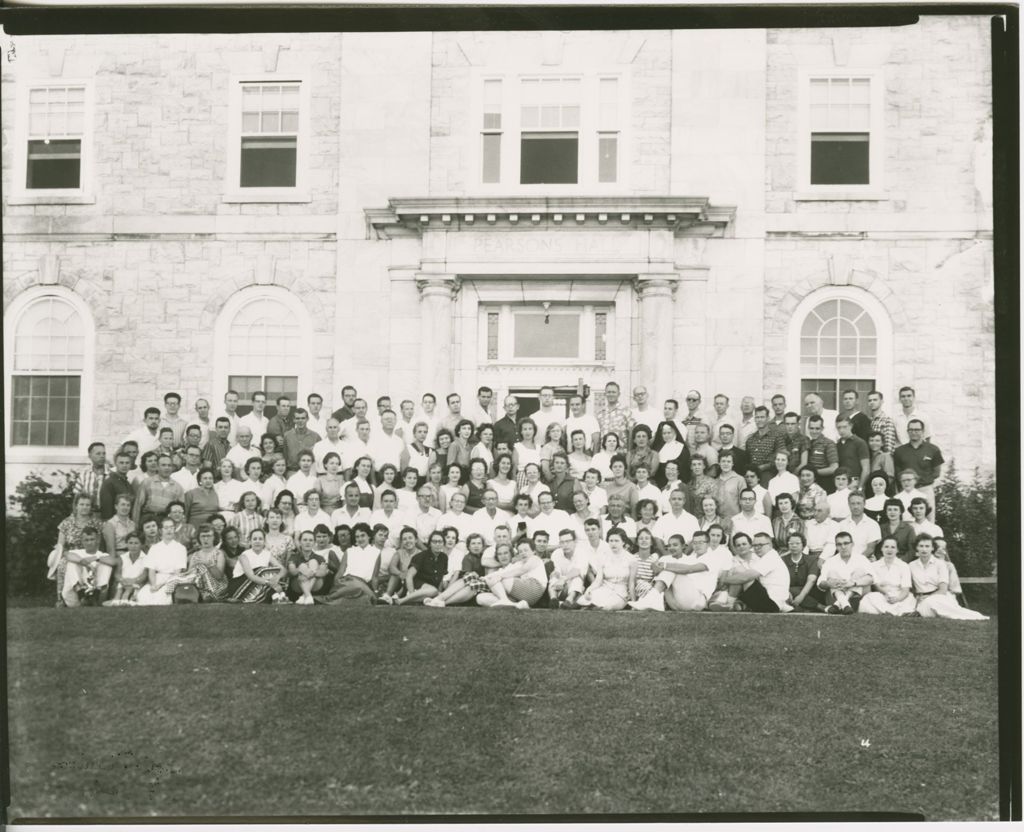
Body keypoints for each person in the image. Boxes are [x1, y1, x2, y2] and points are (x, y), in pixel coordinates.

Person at [910, 535, 988, 619]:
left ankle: (971, 616)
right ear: (916, 548)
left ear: (932, 548)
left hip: (940, 596)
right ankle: (967, 615)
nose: (924, 549)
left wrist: (928, 597)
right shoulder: (911, 566)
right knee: (928, 605)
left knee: (932, 602)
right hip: (922, 600)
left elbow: (943, 590)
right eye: (921, 546)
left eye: (927, 546)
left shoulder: (940, 564)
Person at [710, 532, 792, 613]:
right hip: (771, 600)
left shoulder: (770, 558)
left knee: (741, 573)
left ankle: (730, 604)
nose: (757, 548)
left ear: (770, 545)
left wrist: (723, 580)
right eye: (755, 545)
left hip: (771, 604)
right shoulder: (768, 556)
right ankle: (735, 604)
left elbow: (745, 577)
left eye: (760, 545)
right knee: (740, 574)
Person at [475, 538, 549, 609]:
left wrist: (499, 576)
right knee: (480, 598)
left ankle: (504, 600)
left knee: (502, 578)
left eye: (526, 550)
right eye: (520, 551)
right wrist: (486, 577)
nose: (523, 553)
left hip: (535, 588)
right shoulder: (520, 563)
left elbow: (522, 570)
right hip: (522, 595)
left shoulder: (535, 559)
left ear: (533, 551)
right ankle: (516, 605)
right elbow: (504, 571)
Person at [576, 528, 635, 610]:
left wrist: (633, 603)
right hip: (604, 589)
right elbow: (598, 580)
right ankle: (591, 605)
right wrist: (589, 590)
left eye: (616, 541)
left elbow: (631, 583)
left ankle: (594, 607)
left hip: (621, 593)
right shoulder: (603, 557)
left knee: (608, 606)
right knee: (585, 600)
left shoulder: (631, 559)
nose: (613, 544)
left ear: (623, 542)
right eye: (611, 541)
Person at [893, 419, 944, 512]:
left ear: (923, 431)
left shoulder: (933, 449)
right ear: (907, 432)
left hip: (925, 489)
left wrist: (923, 480)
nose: (913, 432)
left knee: (928, 520)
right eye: (911, 430)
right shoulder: (899, 451)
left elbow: (936, 473)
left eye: (917, 430)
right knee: (906, 519)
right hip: (906, 490)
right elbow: (898, 474)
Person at [135, 518, 189, 606]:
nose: (169, 530)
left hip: (172, 580)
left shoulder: (181, 548)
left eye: (171, 527)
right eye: (166, 528)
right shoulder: (154, 548)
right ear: (160, 530)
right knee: (143, 596)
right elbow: (151, 570)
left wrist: (160, 585)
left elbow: (177, 572)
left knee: (161, 598)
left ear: (174, 529)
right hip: (156, 579)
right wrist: (153, 584)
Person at [816, 532, 874, 614]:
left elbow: (871, 579)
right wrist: (829, 583)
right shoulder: (830, 561)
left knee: (859, 572)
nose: (843, 547)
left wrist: (852, 583)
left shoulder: (862, 559)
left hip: (857, 598)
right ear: (836, 546)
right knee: (832, 573)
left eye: (846, 543)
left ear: (852, 544)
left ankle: (841, 603)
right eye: (839, 544)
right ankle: (845, 604)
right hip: (834, 597)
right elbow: (820, 583)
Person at [858, 536, 916, 616]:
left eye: (893, 547)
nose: (889, 550)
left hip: (899, 595)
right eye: (886, 547)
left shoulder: (903, 566)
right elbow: (876, 585)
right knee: (869, 598)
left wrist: (897, 599)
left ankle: (887, 611)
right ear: (881, 549)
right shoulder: (874, 565)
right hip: (882, 595)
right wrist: (886, 594)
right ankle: (896, 612)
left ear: (897, 550)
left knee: (909, 599)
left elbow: (905, 590)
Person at [227, 528, 287, 603]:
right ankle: (278, 595)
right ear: (250, 542)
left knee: (274, 571)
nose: (257, 541)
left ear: (264, 542)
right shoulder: (244, 556)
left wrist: (277, 578)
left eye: (260, 539)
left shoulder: (267, 554)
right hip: (239, 586)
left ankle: (276, 597)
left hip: (256, 586)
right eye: (255, 539)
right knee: (262, 571)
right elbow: (251, 576)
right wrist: (269, 583)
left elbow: (283, 569)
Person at [60, 526, 116, 607]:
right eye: (86, 540)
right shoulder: (76, 553)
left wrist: (95, 558)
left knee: (106, 564)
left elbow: (113, 561)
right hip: (74, 596)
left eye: (92, 539)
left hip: (95, 597)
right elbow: (66, 554)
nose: (89, 543)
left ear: (97, 540)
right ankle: (81, 593)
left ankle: (96, 594)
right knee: (72, 563)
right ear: (82, 541)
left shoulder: (102, 555)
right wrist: (84, 562)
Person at [390, 530, 448, 606]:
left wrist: (439, 593)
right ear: (430, 544)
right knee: (433, 591)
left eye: (440, 542)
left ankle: (416, 600)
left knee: (436, 593)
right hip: (416, 584)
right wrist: (411, 593)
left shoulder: (444, 557)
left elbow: (441, 577)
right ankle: (401, 601)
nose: (437, 544)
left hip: (430, 588)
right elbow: (409, 576)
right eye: (434, 542)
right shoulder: (421, 556)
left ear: (443, 544)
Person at [132, 454, 185, 527]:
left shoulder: (177, 487)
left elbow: (181, 511)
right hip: (147, 519)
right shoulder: (147, 482)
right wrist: (135, 525)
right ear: (157, 467)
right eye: (163, 465)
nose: (167, 468)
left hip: (165, 522)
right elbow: (137, 506)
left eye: (169, 465)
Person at [781, 532, 827, 612]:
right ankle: (815, 606)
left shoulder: (812, 559)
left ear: (803, 545)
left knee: (794, 590)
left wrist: (801, 596)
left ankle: (815, 606)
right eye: (791, 543)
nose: (794, 546)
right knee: (790, 590)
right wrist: (787, 592)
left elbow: (811, 580)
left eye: (797, 543)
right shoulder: (783, 560)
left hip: (809, 591)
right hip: (789, 593)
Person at [547, 529, 592, 608]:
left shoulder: (582, 553)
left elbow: (577, 571)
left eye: (568, 541)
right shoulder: (556, 553)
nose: (565, 545)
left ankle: (569, 601)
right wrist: (555, 574)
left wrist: (563, 579)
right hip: (560, 587)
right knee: (553, 577)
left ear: (575, 542)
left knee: (576, 579)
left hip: (576, 589)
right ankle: (553, 599)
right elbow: (557, 570)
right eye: (562, 542)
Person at [745, 407, 784, 487]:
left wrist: (762, 467)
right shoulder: (750, 439)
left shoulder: (777, 436)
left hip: (769, 474)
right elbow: (747, 460)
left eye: (762, 417)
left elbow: (781, 458)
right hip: (752, 475)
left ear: (768, 418)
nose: (759, 420)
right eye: (757, 417)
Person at [839, 492, 882, 560]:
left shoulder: (873, 524)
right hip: (844, 561)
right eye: (853, 503)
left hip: (865, 561)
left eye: (859, 503)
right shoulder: (841, 525)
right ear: (849, 505)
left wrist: (856, 561)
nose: (856, 507)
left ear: (864, 504)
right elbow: (839, 547)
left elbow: (870, 549)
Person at [107, 531, 146, 605]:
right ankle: (118, 597)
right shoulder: (122, 557)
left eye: (136, 543)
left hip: (137, 584)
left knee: (133, 585)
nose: (133, 546)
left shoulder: (146, 558)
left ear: (141, 544)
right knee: (120, 586)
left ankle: (126, 596)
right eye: (130, 543)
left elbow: (144, 575)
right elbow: (117, 574)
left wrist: (133, 581)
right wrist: (122, 580)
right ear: (127, 544)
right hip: (123, 583)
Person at [835, 416, 870, 492]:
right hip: (841, 483)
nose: (841, 430)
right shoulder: (837, 445)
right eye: (839, 428)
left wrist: (860, 487)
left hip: (855, 483)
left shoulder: (860, 443)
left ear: (851, 426)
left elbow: (866, 469)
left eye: (845, 427)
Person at [806, 415, 839, 493]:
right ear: (808, 428)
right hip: (810, 483)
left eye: (817, 428)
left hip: (825, 483)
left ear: (822, 429)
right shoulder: (807, 443)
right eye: (811, 428)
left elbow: (834, 468)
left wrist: (814, 473)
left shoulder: (829, 443)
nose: (814, 431)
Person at [99, 450, 135, 520]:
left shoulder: (127, 483)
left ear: (130, 465)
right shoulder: (109, 483)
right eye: (121, 463)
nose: (124, 465)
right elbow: (106, 509)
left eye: (127, 463)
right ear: (116, 464)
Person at [595, 381, 633, 449]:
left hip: (621, 452)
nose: (611, 394)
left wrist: (629, 452)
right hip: (604, 452)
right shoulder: (599, 414)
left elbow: (631, 433)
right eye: (609, 392)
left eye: (613, 392)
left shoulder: (626, 411)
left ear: (619, 394)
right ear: (605, 394)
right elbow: (597, 436)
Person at [652, 421, 689, 488]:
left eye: (669, 433)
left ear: (674, 433)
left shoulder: (682, 449)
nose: (666, 435)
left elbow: (685, 471)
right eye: (664, 433)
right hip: (660, 484)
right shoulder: (658, 448)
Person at [715, 450, 746, 518]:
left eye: (729, 461)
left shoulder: (739, 479)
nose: (726, 464)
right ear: (719, 463)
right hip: (719, 519)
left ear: (733, 464)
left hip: (735, 518)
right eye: (723, 461)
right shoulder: (715, 481)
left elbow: (743, 501)